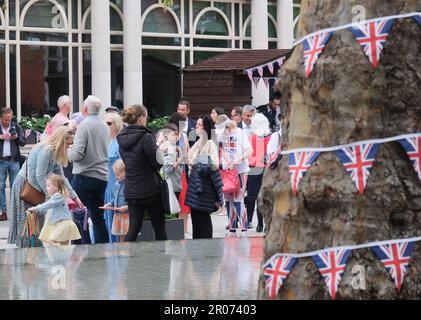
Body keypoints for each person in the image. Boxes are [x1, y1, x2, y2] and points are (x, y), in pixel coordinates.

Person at [7, 127, 83, 248]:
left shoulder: (56, 152)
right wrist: (49, 196)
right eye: (68, 144)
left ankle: (33, 256)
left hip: (41, 188)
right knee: (28, 225)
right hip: (27, 186)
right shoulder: (46, 150)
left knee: (37, 224)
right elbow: (38, 175)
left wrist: (75, 198)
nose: (69, 147)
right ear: (61, 141)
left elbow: (62, 179)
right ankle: (27, 258)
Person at [117, 104, 167, 242]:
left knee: (133, 228)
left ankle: (128, 261)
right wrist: (159, 148)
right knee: (159, 228)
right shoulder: (146, 137)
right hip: (150, 189)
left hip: (132, 188)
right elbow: (158, 162)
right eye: (145, 117)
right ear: (140, 118)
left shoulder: (121, 138)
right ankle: (162, 261)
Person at [69, 95, 109, 244]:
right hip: (102, 176)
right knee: (98, 217)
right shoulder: (104, 125)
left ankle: (80, 249)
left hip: (84, 175)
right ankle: (101, 250)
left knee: (78, 215)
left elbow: (77, 154)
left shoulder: (84, 125)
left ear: (85, 109)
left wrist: (67, 150)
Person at [185, 115, 223, 239]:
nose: (196, 127)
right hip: (195, 184)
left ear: (206, 127)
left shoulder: (210, 143)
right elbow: (188, 157)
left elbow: (214, 163)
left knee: (203, 216)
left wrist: (195, 161)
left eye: (200, 125)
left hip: (204, 185)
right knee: (195, 217)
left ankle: (207, 246)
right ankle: (197, 246)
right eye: (196, 124)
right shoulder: (199, 141)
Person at [215, 115, 252, 237]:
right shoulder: (220, 135)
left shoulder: (239, 133)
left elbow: (249, 151)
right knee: (228, 200)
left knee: (238, 199)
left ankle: (244, 227)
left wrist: (236, 161)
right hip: (226, 171)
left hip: (240, 170)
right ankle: (231, 227)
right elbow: (222, 150)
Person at [27, 174, 81, 246]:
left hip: (63, 224)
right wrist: (37, 211)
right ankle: (62, 254)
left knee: (51, 241)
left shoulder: (58, 196)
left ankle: (58, 251)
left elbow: (48, 205)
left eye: (48, 186)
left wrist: (35, 208)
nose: (46, 188)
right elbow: (49, 209)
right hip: (63, 224)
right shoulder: (57, 197)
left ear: (56, 186)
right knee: (64, 246)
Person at [245, 113, 274, 232]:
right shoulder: (271, 137)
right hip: (267, 168)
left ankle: (259, 224)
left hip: (253, 169)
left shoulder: (251, 137)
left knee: (254, 197)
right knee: (266, 197)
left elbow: (248, 154)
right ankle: (267, 223)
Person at [0, 107, 26, 221]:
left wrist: (16, 138)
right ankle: (4, 212)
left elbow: (23, 142)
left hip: (14, 160)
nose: (8, 122)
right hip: (1, 161)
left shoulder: (15, 126)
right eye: (6, 119)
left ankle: (14, 212)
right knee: (0, 187)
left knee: (15, 187)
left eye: (9, 119)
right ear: (1, 118)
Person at [103, 112, 124, 243]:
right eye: (104, 123)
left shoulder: (120, 142)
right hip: (106, 186)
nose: (106, 126)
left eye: (109, 123)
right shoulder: (108, 141)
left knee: (116, 225)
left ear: (116, 125)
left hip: (116, 187)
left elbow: (123, 166)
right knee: (107, 222)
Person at [101, 160, 129, 242]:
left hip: (126, 215)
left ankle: (127, 252)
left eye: (118, 174)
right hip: (118, 214)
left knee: (127, 235)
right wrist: (109, 204)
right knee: (120, 235)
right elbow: (114, 197)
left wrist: (127, 207)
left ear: (125, 171)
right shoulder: (116, 184)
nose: (116, 177)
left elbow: (133, 201)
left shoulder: (129, 184)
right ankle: (122, 252)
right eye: (115, 174)